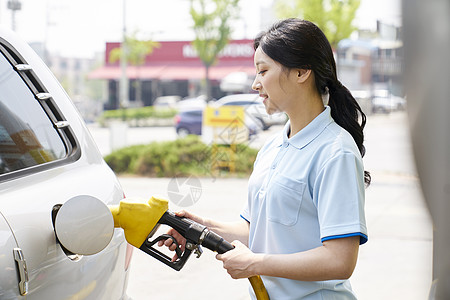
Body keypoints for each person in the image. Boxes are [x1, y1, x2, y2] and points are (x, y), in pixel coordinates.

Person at [160, 18, 370, 299]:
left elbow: (340, 261)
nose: (255, 84)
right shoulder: (272, 148)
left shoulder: (335, 151)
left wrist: (256, 263)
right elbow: (256, 232)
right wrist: (200, 229)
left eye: (263, 71)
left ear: (301, 72)